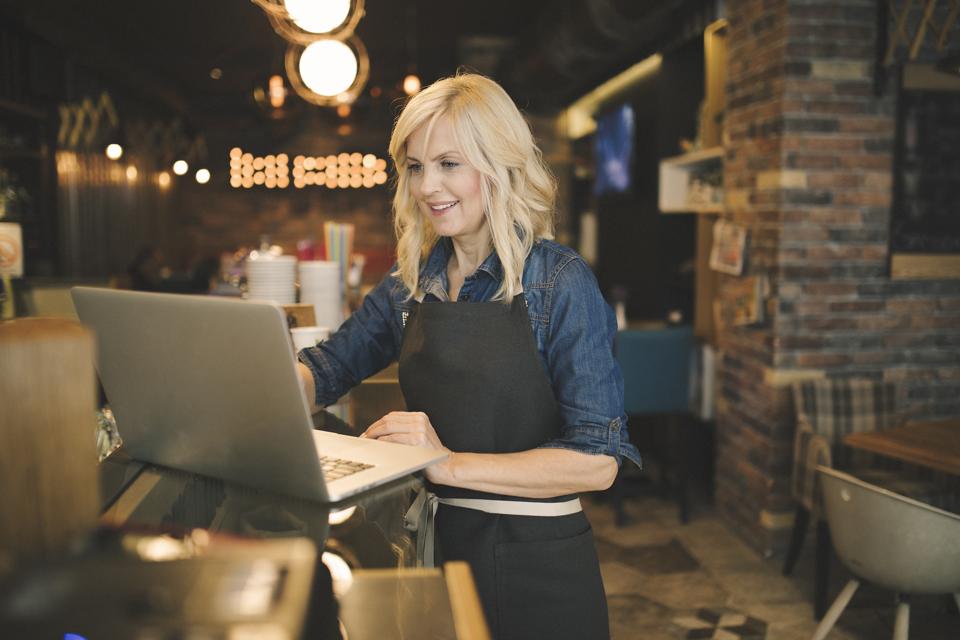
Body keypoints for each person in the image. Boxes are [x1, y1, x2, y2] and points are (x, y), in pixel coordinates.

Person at [296, 73, 641, 640]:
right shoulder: (413, 281)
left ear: (499, 164)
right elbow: (329, 367)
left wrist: (445, 464)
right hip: (436, 552)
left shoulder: (559, 283)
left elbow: (597, 461)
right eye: (415, 166)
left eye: (449, 163)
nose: (429, 186)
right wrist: (257, 390)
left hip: (537, 566)